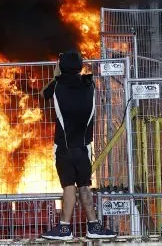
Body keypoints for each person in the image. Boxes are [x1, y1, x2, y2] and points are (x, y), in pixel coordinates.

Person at [40, 50, 114, 241]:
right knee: (85, 186)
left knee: (68, 186)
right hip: (84, 147)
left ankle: (65, 228)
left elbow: (43, 94)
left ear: (61, 67)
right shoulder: (90, 84)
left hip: (63, 147)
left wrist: (56, 75)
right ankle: (93, 226)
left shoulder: (57, 85)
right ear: (80, 66)